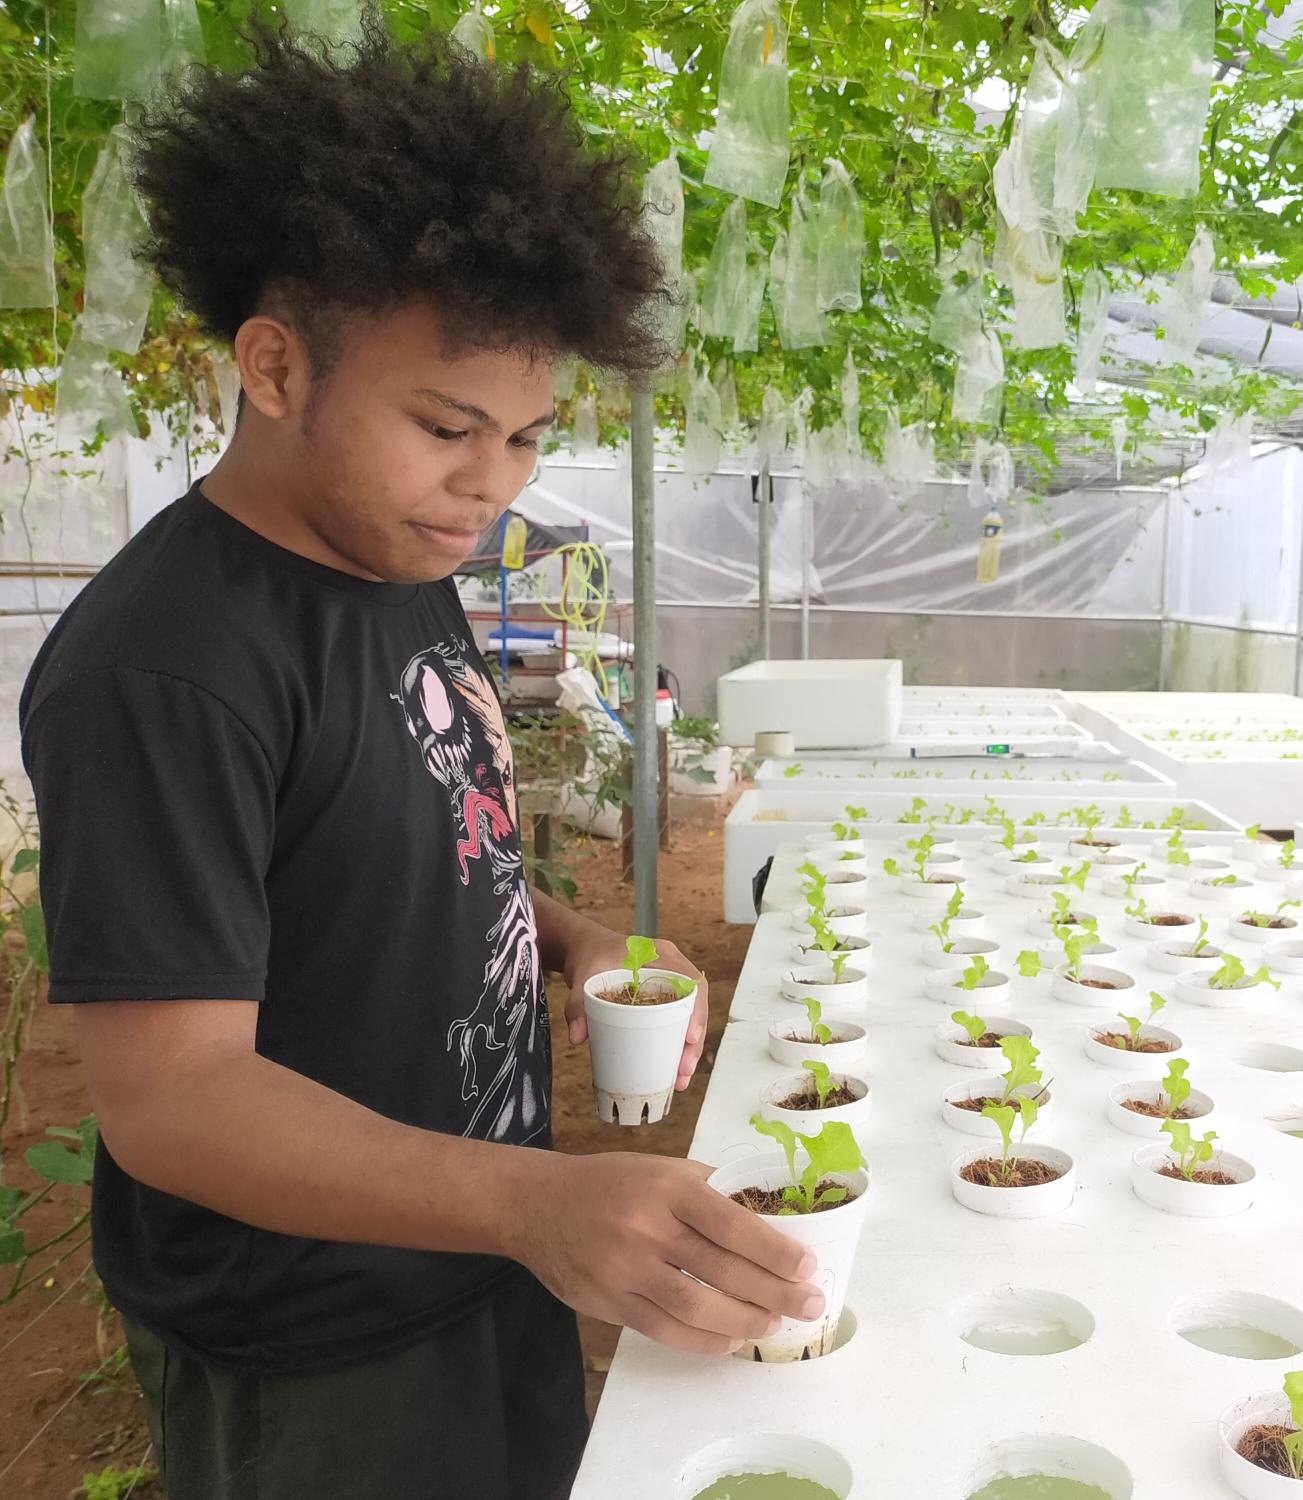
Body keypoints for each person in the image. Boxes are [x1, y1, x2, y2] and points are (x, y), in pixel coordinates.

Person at [20, 23, 819, 1500]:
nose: (494, 484)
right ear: (274, 365)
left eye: (524, 436)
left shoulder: (399, 567)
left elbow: (411, 840)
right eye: (446, 425)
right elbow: (175, 1097)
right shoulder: (166, 668)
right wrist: (537, 1201)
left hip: (477, 1260)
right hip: (320, 1342)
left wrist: (568, 940)